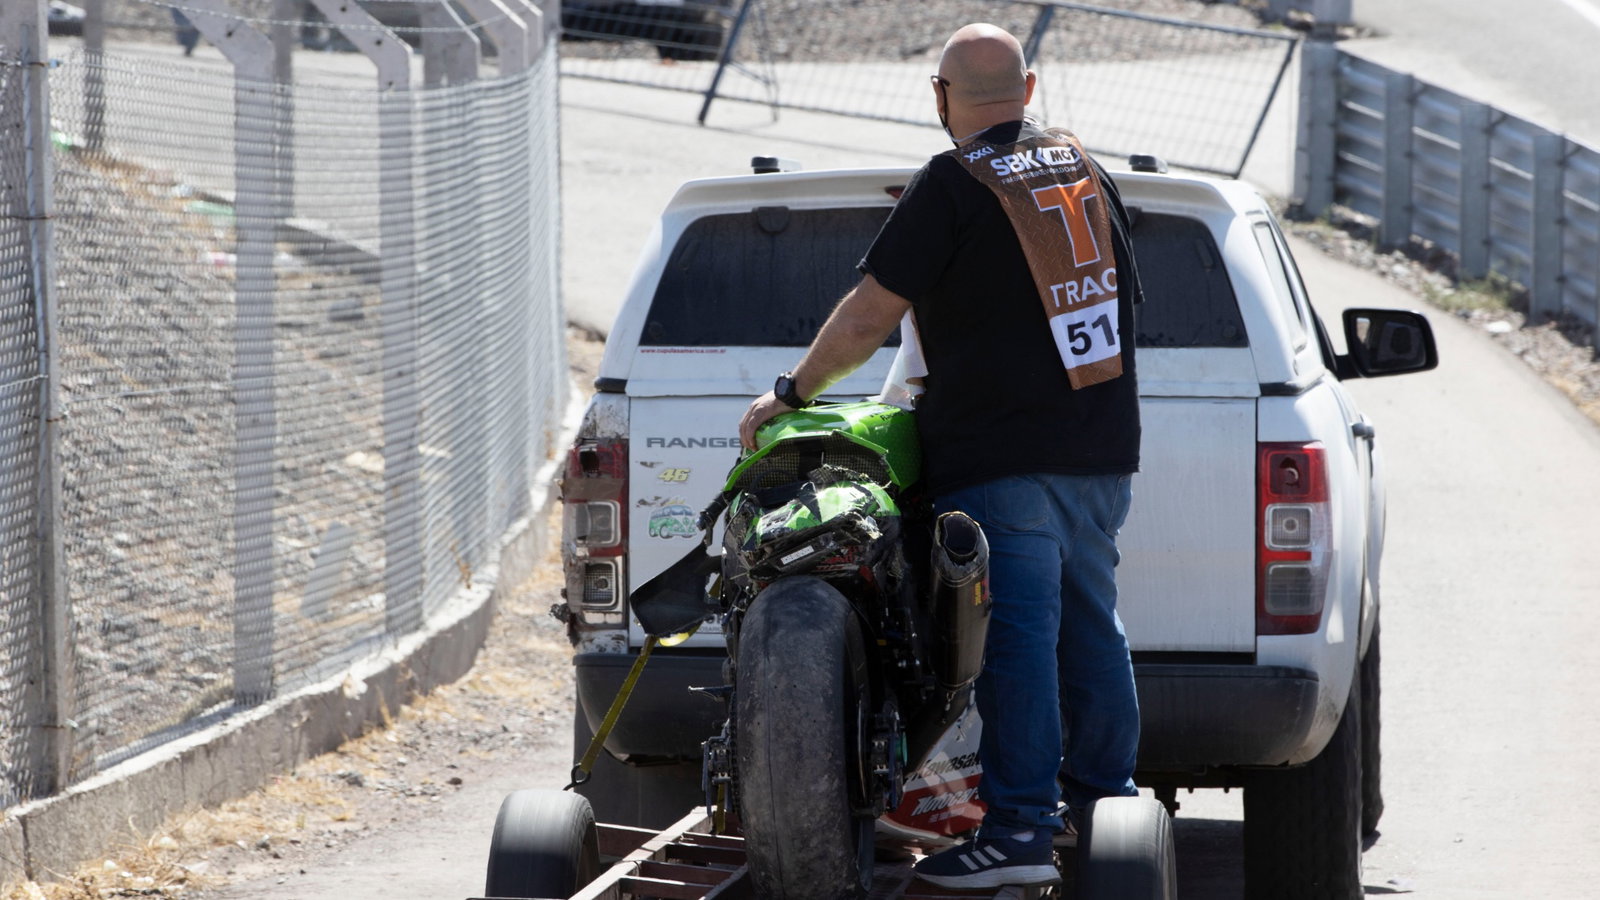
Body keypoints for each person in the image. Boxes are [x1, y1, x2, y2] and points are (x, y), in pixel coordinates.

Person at [737, 22, 1144, 891]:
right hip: (1101, 451)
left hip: (1002, 456)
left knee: (1019, 640)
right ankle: (1107, 807)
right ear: (1027, 91)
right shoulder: (1084, 169)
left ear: (940, 97)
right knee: (1092, 627)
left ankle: (1022, 830)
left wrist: (792, 392)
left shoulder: (955, 181)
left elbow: (868, 316)